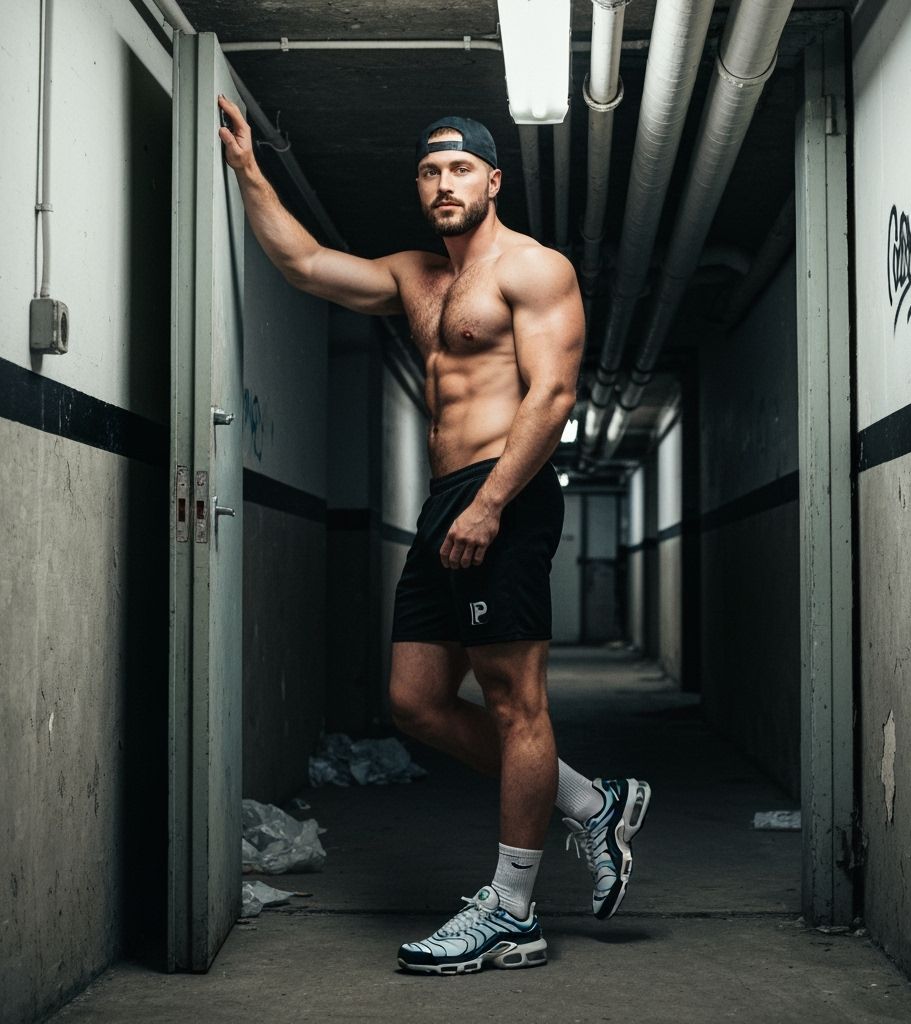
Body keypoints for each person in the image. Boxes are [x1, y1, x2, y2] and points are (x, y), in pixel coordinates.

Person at [218, 101, 651, 975]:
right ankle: (588, 801)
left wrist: (491, 503)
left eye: (460, 170)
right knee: (414, 700)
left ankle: (514, 910)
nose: (444, 183)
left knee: (513, 702)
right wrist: (249, 169)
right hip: (446, 502)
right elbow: (304, 263)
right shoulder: (415, 277)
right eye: (429, 172)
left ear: (493, 180)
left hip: (507, 495)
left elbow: (552, 398)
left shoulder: (534, 269)